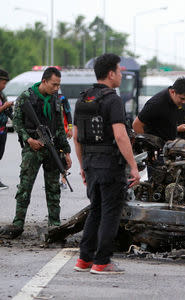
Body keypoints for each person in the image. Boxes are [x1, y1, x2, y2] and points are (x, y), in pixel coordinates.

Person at [73, 53, 140, 275]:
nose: (121, 75)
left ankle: (84, 259)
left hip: (91, 164)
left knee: (96, 210)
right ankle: (102, 262)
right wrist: (133, 166)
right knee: (111, 213)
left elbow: (77, 137)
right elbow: (120, 136)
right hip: (110, 165)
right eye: (119, 71)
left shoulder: (84, 99)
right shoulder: (113, 100)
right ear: (111, 74)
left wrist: (83, 166)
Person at [0, 67, 72, 239]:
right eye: (54, 84)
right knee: (25, 187)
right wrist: (29, 140)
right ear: (44, 81)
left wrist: (67, 152)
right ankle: (18, 224)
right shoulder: (26, 97)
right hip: (32, 148)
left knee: (53, 188)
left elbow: (60, 128)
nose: (56, 88)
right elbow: (16, 122)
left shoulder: (56, 99)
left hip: (51, 148)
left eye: (59, 85)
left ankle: (54, 224)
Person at [0, 69, 13, 190]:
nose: (4, 86)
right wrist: (5, 106)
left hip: (2, 130)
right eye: (3, 82)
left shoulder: (2, 94)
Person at [59, 93, 73, 190]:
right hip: (50, 132)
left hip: (63, 131)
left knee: (64, 155)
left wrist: (70, 128)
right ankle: (53, 181)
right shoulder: (45, 97)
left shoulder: (62, 98)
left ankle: (63, 180)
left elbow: (68, 113)